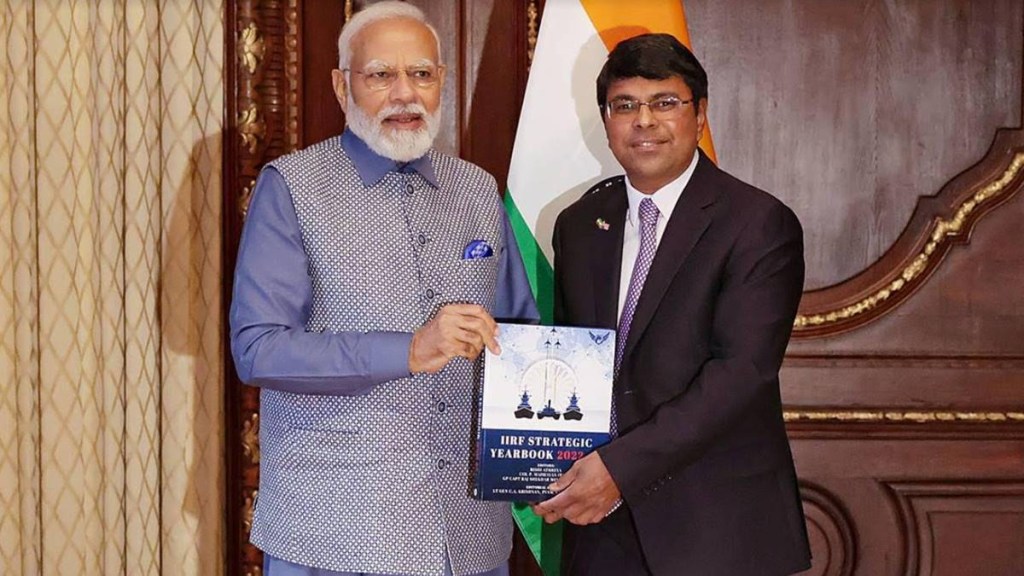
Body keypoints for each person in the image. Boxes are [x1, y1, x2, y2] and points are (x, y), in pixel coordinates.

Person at [229, 2, 538, 575]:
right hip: (335, 533)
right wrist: (409, 350)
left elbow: (522, 340)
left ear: (442, 81)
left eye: (421, 74)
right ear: (341, 86)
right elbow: (258, 349)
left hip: (468, 535)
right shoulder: (293, 187)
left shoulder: (476, 190)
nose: (405, 94)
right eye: (380, 75)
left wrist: (547, 460)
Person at [535, 33, 812, 575]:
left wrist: (620, 469)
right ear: (606, 121)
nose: (644, 121)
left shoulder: (757, 223)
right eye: (624, 105)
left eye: (664, 102)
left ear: (700, 114)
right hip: (600, 525)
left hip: (713, 525)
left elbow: (741, 374)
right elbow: (574, 355)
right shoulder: (580, 224)